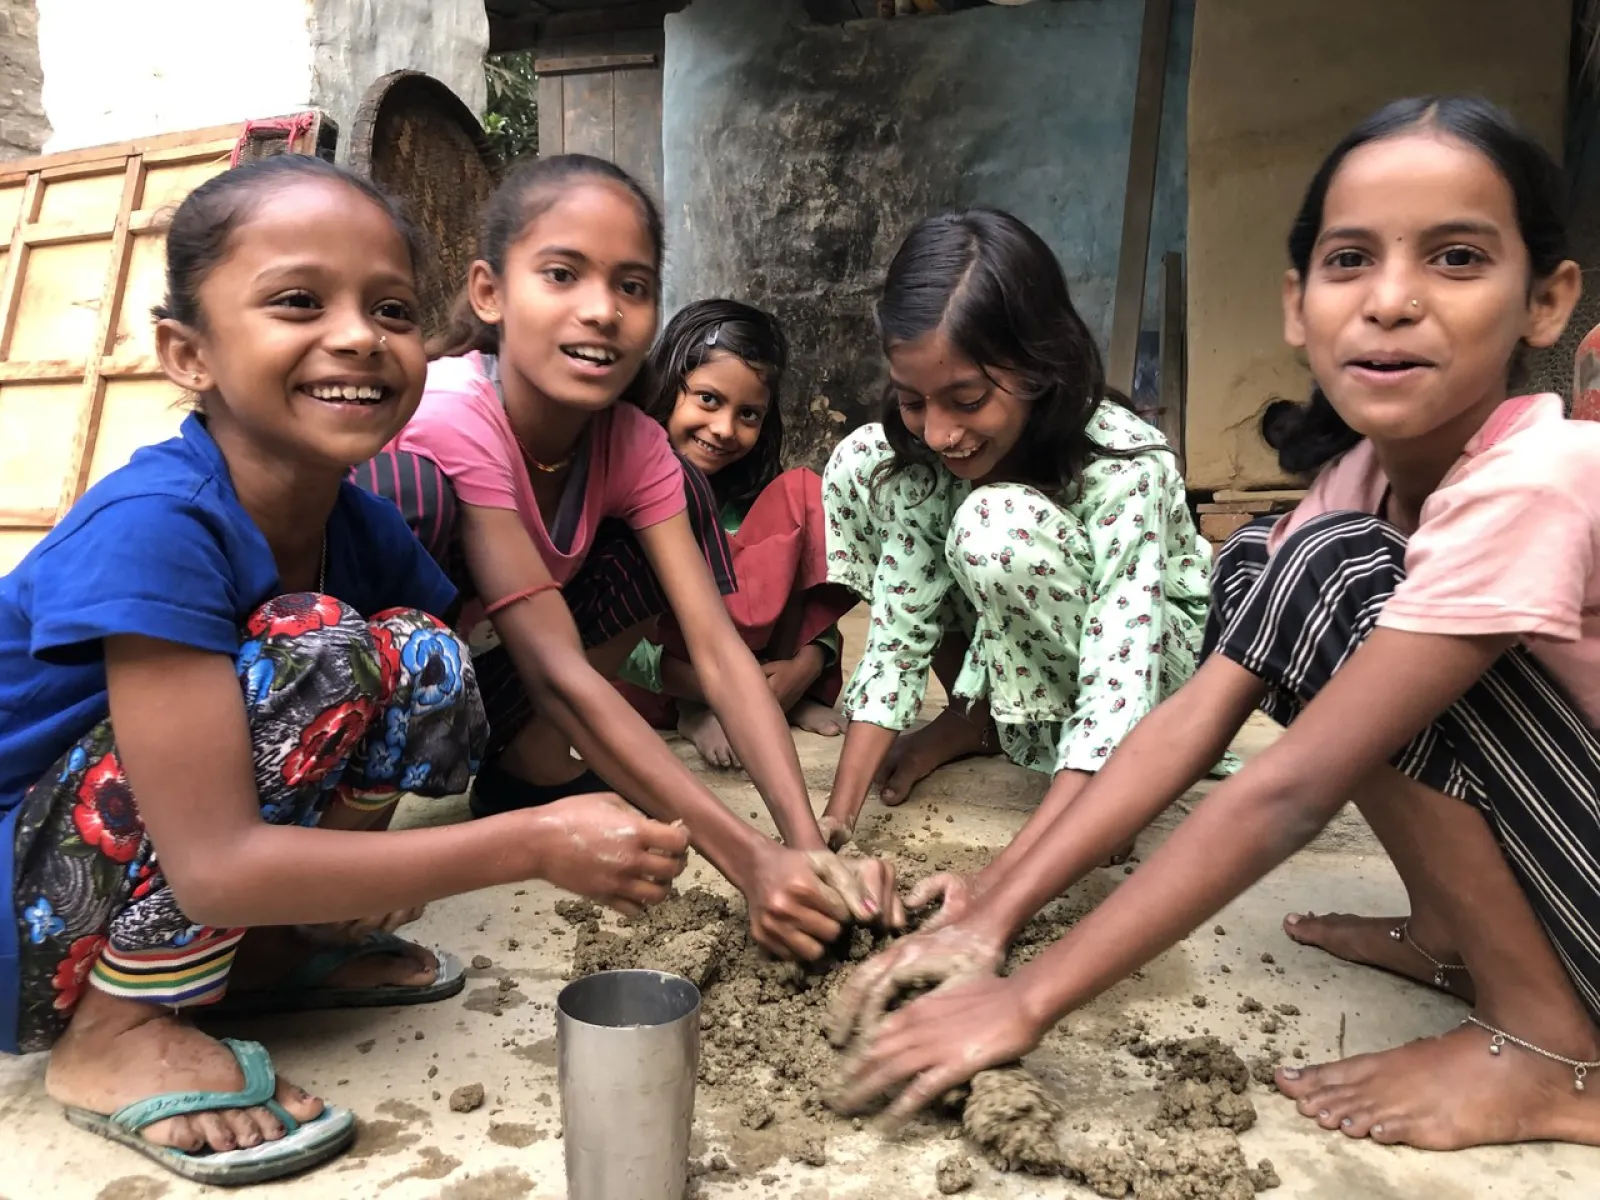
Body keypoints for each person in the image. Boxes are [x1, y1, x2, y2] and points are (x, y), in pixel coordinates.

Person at [829, 95, 1600, 1154]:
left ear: (1545, 302)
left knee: (1325, 576)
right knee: (1261, 567)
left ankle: (1550, 1046)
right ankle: (1451, 935)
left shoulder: (1537, 478)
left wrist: (1027, 997)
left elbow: (1288, 792)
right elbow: (1197, 715)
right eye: (1350, 260)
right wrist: (993, 906)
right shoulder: (1359, 482)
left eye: (1456, 258)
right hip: (1568, 852)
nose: (1392, 300)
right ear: (1296, 305)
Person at [0, 156, 693, 1184]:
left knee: (423, 655)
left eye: (391, 309)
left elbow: (438, 686)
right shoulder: (157, 525)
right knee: (319, 650)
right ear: (188, 353)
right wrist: (534, 842)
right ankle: (116, 1030)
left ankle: (273, 949)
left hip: (139, 873)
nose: (360, 336)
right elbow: (216, 863)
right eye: (298, 301)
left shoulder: (359, 527)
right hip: (25, 906)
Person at [352, 155, 900, 960]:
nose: (602, 310)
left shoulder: (635, 445)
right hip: (395, 680)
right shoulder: (451, 415)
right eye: (562, 274)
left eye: (632, 286)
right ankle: (344, 847)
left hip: (492, 678)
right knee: (410, 494)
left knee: (674, 511)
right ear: (489, 292)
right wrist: (750, 862)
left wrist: (806, 846)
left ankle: (531, 766)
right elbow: (556, 670)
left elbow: (717, 649)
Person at [814, 207, 1215, 861]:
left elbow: (1124, 665)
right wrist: (835, 821)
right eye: (913, 400)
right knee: (865, 459)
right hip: (1019, 638)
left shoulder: (1124, 464)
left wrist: (1020, 867)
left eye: (968, 400)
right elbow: (899, 624)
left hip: (1150, 678)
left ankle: (1101, 778)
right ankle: (975, 718)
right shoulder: (927, 456)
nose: (939, 432)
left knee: (993, 525)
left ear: (1037, 368)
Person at [616, 299, 857, 767]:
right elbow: (606, 642)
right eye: (708, 399)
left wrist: (803, 667)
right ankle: (694, 711)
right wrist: (719, 690)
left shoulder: (756, 496)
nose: (725, 429)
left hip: (755, 667)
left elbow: (808, 594)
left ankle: (780, 695)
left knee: (803, 493)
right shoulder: (622, 484)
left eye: (749, 414)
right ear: (668, 386)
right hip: (666, 679)